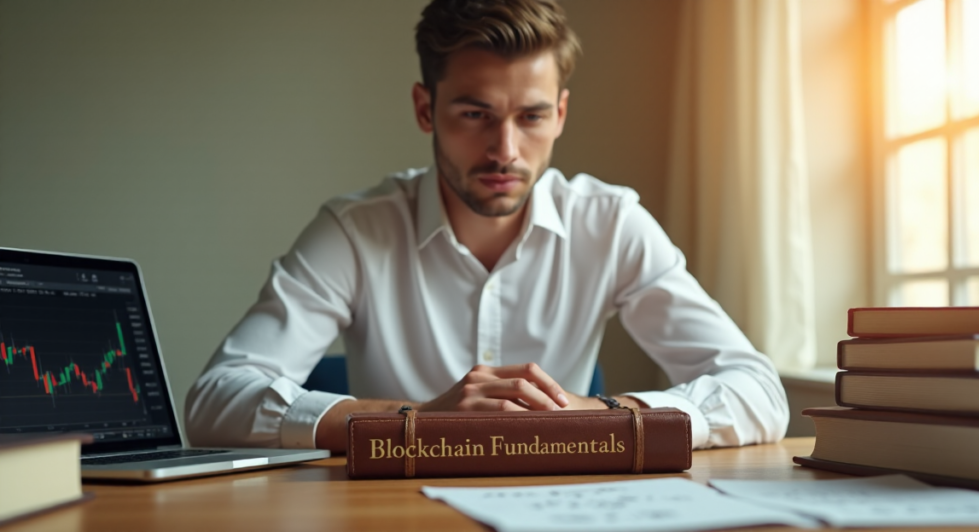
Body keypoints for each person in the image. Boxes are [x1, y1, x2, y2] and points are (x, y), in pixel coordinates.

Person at [185, 0, 789, 453]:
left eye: (531, 117)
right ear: (426, 109)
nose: (505, 149)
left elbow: (759, 392)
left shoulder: (610, 224)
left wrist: (601, 414)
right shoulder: (354, 231)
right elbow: (216, 399)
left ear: (560, 114)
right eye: (476, 114)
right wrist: (418, 421)